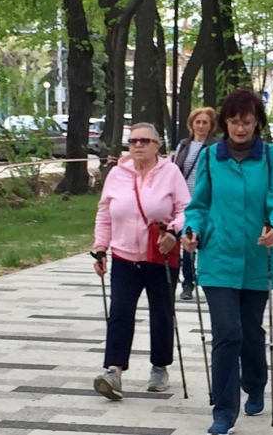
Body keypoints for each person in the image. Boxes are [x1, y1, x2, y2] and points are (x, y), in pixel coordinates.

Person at [179, 89, 273, 435]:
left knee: (250, 333)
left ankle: (255, 383)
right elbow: (199, 205)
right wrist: (192, 230)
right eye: (233, 122)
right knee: (227, 333)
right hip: (218, 258)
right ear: (224, 123)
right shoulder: (211, 158)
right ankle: (223, 410)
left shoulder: (271, 157)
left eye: (246, 122)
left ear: (257, 122)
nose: (240, 129)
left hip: (257, 258)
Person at [91, 123, 191, 400]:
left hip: (160, 253)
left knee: (161, 312)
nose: (138, 145)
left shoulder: (170, 172)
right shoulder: (117, 174)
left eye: (145, 141)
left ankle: (159, 367)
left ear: (157, 145)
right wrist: (100, 248)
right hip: (124, 254)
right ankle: (113, 371)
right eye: (133, 141)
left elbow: (185, 208)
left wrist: (173, 231)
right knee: (120, 312)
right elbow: (104, 212)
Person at [172, 107, 219, 301]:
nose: (201, 126)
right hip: (183, 201)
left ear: (211, 126)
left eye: (205, 122)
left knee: (201, 242)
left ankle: (205, 280)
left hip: (205, 201)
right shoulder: (184, 145)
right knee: (184, 242)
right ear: (191, 124)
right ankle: (185, 282)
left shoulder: (216, 147)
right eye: (197, 122)